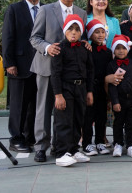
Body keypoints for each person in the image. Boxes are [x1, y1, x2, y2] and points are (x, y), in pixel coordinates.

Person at [29, 0, 87, 163]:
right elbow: (35, 37)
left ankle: (60, 146)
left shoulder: (81, 13)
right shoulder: (46, 10)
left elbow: (79, 38)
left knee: (65, 111)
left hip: (70, 74)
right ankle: (41, 147)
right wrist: (47, 47)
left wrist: (85, 45)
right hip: (47, 68)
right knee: (44, 108)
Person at [2, 0, 42, 153]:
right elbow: (7, 37)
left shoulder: (45, 10)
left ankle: (30, 137)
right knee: (19, 105)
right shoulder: (14, 9)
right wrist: (9, 62)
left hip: (40, 66)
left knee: (34, 104)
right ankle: (16, 138)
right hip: (19, 65)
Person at [50, 15, 93, 166]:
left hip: (81, 88)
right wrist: (58, 95)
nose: (73, 32)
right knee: (64, 120)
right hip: (65, 88)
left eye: (77, 29)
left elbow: (90, 70)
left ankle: (73, 149)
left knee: (77, 119)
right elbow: (55, 73)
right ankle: (61, 152)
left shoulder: (85, 49)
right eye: (70, 29)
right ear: (65, 30)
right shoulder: (59, 48)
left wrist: (89, 91)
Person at [107, 35, 132, 158]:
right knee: (118, 123)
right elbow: (112, 86)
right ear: (113, 50)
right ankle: (118, 143)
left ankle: (131, 145)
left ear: (128, 49)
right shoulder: (111, 65)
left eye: (123, 48)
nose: (121, 51)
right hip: (119, 100)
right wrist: (115, 102)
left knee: (131, 123)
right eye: (118, 48)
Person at [81, 19, 112, 156]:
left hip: (102, 88)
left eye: (102, 32)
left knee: (101, 116)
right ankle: (87, 143)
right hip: (90, 87)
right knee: (88, 116)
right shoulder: (87, 50)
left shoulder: (108, 52)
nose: (100, 35)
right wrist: (89, 89)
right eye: (96, 32)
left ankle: (100, 141)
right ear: (91, 35)